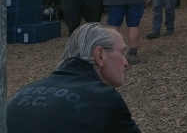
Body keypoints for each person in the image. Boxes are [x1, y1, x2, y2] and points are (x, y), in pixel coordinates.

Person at [7, 23, 140, 133]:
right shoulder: (104, 98)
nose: (126, 63)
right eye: (122, 52)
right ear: (100, 55)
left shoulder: (20, 93)